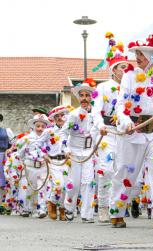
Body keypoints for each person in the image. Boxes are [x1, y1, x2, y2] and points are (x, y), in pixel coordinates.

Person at [108, 34, 153, 228]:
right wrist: (125, 121)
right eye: (136, 53)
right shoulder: (129, 75)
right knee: (126, 172)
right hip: (132, 130)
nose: (137, 57)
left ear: (152, 55)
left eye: (141, 54)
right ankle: (116, 211)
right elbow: (120, 104)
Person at [92, 33, 130, 223]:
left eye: (127, 67)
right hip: (107, 131)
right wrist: (100, 125)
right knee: (106, 169)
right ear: (114, 69)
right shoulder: (103, 87)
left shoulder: (131, 88)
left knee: (121, 170)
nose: (126, 70)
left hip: (124, 132)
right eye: (122, 67)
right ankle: (104, 206)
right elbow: (96, 110)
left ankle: (118, 206)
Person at [62, 79, 96, 223]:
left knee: (88, 183)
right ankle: (69, 207)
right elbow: (64, 133)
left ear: (91, 98)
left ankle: (87, 213)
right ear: (78, 98)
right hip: (75, 153)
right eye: (81, 95)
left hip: (88, 153)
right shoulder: (74, 115)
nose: (84, 98)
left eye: (87, 95)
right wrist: (66, 148)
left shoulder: (96, 115)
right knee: (74, 184)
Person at [37, 106, 70, 221]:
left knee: (66, 186)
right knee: (58, 184)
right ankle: (52, 202)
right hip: (53, 161)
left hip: (67, 161)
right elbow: (37, 144)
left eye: (62, 115)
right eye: (57, 116)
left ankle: (62, 209)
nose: (60, 118)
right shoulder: (48, 131)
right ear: (54, 119)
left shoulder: (69, 130)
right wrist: (43, 155)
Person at [16, 114, 50, 218]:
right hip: (29, 166)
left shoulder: (48, 139)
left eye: (43, 126)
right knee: (26, 187)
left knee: (42, 187)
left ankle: (42, 209)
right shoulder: (27, 138)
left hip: (42, 166)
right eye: (38, 126)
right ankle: (25, 208)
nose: (40, 129)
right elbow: (20, 152)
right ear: (34, 126)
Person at [0, 113, 14, 214]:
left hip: (3, 156)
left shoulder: (7, 131)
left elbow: (14, 144)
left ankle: (3, 204)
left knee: (4, 181)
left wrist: (9, 150)